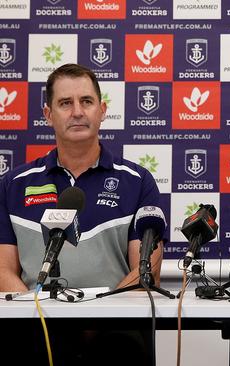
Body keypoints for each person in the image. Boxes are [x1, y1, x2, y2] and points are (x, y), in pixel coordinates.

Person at [0, 63, 164, 365]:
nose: (77, 111)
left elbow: (146, 271)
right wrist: (41, 315)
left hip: (114, 327)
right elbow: (3, 272)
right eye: (65, 103)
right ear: (48, 114)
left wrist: (97, 315)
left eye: (86, 102)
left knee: (118, 350)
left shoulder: (137, 181)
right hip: (37, 325)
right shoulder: (13, 185)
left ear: (101, 110)